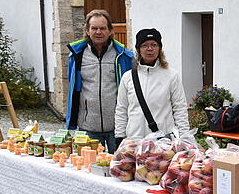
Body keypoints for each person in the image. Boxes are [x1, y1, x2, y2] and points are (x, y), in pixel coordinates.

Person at [66, 9, 134, 152]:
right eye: (94, 28)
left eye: (103, 28)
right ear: (87, 30)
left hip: (118, 127)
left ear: (110, 30)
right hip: (88, 127)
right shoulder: (76, 56)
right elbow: (74, 89)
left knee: (120, 169)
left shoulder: (123, 56)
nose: (98, 32)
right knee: (89, 170)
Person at [114, 29, 190, 142]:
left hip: (162, 142)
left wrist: (185, 137)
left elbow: (180, 109)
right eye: (145, 45)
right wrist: (119, 137)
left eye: (154, 45)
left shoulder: (171, 76)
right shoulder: (128, 77)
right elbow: (121, 109)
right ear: (138, 49)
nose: (150, 49)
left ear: (160, 48)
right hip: (134, 141)